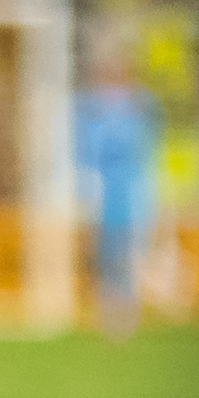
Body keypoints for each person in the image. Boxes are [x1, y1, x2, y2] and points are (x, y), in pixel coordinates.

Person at [73, 36, 162, 340]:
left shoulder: (142, 105)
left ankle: (127, 311)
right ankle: (107, 310)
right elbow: (83, 152)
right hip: (101, 192)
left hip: (131, 193)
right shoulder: (88, 108)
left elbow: (148, 150)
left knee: (129, 251)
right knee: (104, 252)